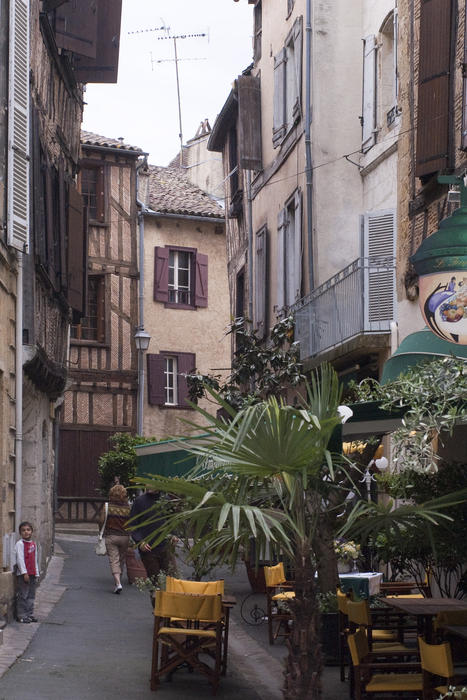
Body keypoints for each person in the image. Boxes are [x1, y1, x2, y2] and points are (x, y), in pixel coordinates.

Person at [128, 490, 173, 587]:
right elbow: (133, 525)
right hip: (148, 548)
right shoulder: (139, 501)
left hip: (165, 546)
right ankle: (156, 601)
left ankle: (167, 601)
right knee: (155, 583)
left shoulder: (166, 500)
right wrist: (140, 542)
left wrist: (173, 535)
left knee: (172, 581)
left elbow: (171, 520)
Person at [100, 484, 130, 594]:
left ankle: (117, 583)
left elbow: (101, 520)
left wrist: (101, 532)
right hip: (125, 536)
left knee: (114, 559)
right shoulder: (128, 507)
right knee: (121, 560)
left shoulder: (107, 506)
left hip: (111, 536)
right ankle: (118, 581)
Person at [15, 521, 39, 623]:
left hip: (32, 573)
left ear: (32, 531)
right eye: (23, 530)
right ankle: (21, 615)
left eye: (28, 530)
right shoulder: (20, 544)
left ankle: (29, 614)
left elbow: (35, 559)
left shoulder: (33, 544)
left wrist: (37, 573)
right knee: (23, 595)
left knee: (31, 595)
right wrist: (24, 573)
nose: (26, 532)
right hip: (24, 574)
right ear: (20, 533)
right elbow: (20, 559)